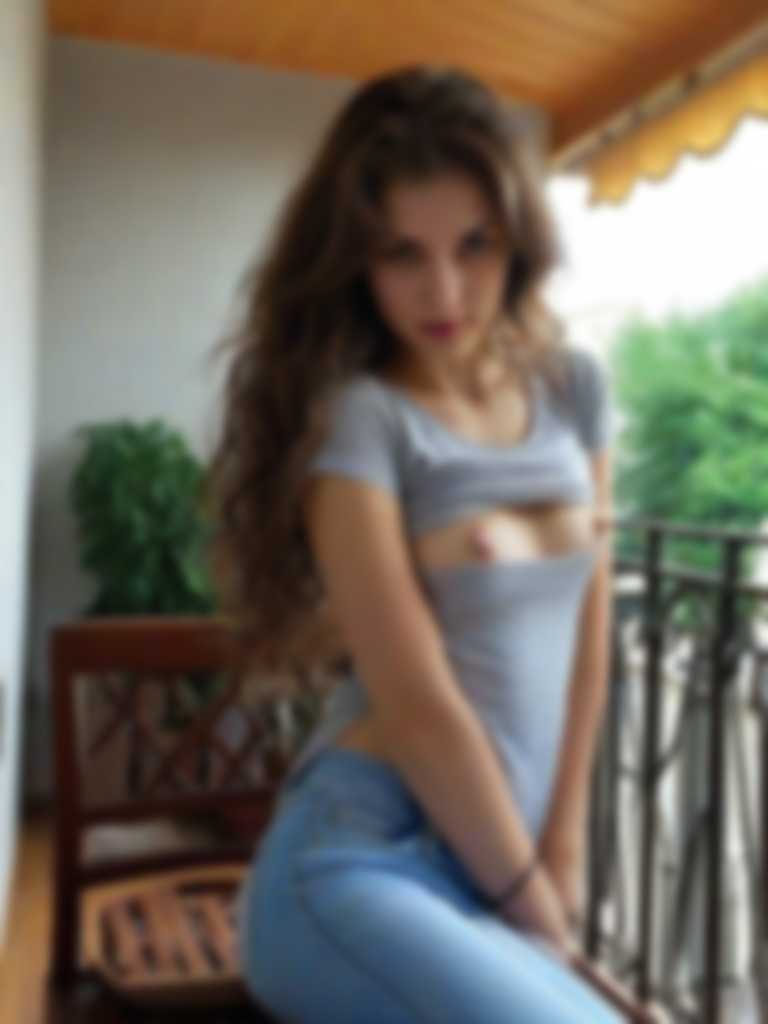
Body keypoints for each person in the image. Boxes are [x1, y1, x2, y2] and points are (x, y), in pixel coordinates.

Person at [208, 63, 623, 1023]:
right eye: (403, 253)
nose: (445, 291)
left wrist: (562, 850)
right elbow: (417, 704)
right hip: (357, 858)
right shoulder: (363, 420)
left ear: (517, 239)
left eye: (474, 245)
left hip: (496, 855)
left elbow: (591, 636)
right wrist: (529, 900)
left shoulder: (575, 388)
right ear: (356, 261)